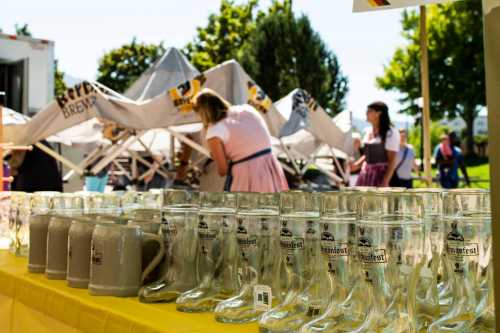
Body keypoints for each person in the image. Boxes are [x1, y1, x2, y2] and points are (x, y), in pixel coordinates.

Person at [192, 88, 288, 192]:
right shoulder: (247, 109)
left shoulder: (214, 131)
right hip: (270, 164)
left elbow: (222, 170)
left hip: (247, 172)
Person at [351, 101, 400, 187]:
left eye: (369, 111)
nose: (366, 113)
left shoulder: (390, 133)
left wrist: (385, 181)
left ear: (378, 113)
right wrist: (356, 165)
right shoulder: (368, 131)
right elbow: (367, 155)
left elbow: (392, 161)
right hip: (366, 174)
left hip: (380, 176)